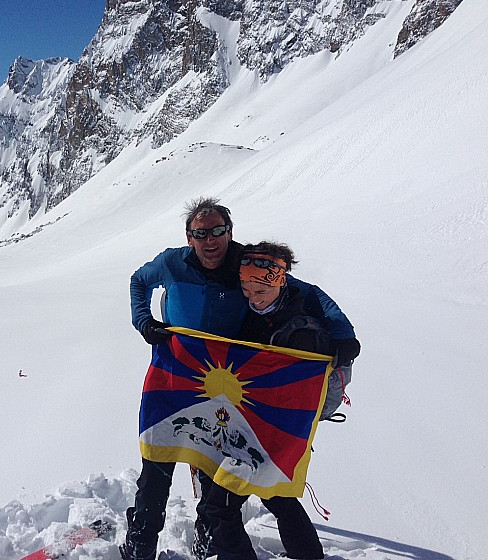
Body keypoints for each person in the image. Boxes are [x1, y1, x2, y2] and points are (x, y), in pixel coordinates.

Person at [122, 198, 360, 560]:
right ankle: (141, 545)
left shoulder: (247, 265)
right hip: (179, 374)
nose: (210, 240)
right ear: (189, 238)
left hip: (229, 384)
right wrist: (143, 320)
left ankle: (207, 539)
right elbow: (139, 280)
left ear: (230, 233)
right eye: (200, 233)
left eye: (218, 231)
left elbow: (307, 292)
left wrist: (342, 333)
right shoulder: (173, 262)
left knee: (210, 464)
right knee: (158, 460)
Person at [199, 241, 331, 560]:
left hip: (273, 435)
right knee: (278, 497)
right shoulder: (259, 316)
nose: (253, 299)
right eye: (246, 291)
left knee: (220, 508)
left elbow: (301, 392)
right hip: (254, 430)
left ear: (279, 282)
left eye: (260, 292)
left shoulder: (303, 331)